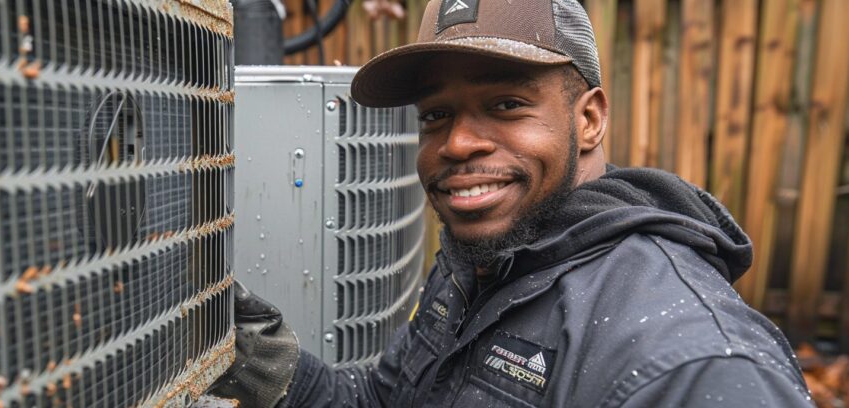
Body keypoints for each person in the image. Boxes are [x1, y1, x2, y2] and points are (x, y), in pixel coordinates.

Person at [211, 0, 813, 406]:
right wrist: (282, 371)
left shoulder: (687, 363)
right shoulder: (482, 256)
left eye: (506, 104)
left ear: (590, 119)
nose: (457, 143)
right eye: (436, 115)